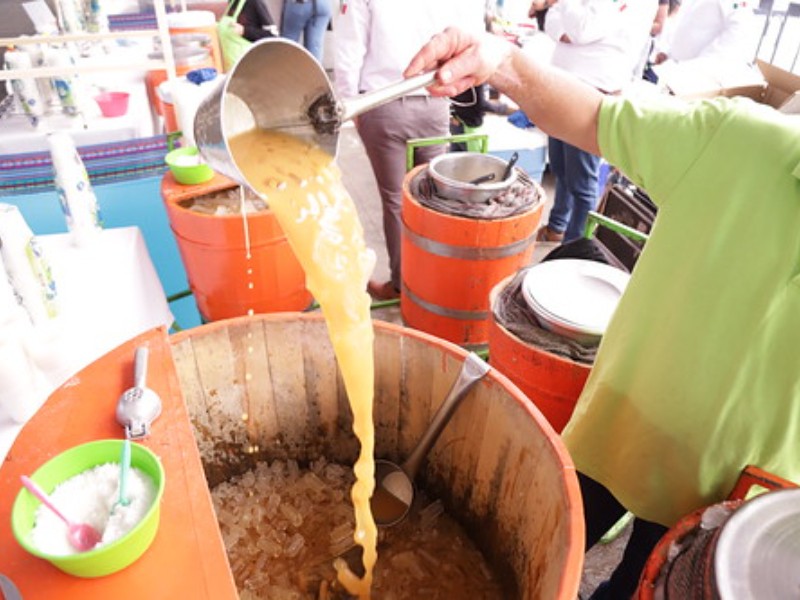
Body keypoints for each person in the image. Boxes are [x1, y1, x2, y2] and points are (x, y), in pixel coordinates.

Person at [404, 27, 800, 599]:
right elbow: (593, 118)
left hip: (743, 519)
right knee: (531, 539)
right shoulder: (739, 143)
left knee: (633, 583)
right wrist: (499, 61)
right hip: (619, 430)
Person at [333, 0, 486, 301]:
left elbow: (349, 48)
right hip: (436, 99)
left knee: (395, 200)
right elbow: (472, 33)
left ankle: (402, 284)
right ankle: (437, 283)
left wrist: (350, 105)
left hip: (383, 101)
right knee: (435, 197)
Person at [534, 0, 658, 244]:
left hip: (592, 91)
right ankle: (557, 227)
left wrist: (566, 14)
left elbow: (582, 28)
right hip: (563, 85)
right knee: (561, 168)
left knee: (582, 181)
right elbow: (552, 21)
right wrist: (566, 25)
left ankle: (572, 248)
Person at [651, 0, 758, 68]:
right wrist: (667, 50)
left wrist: (700, 65)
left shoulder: (737, 3)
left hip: (700, 74)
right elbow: (684, 20)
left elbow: (736, 33)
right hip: (674, 67)